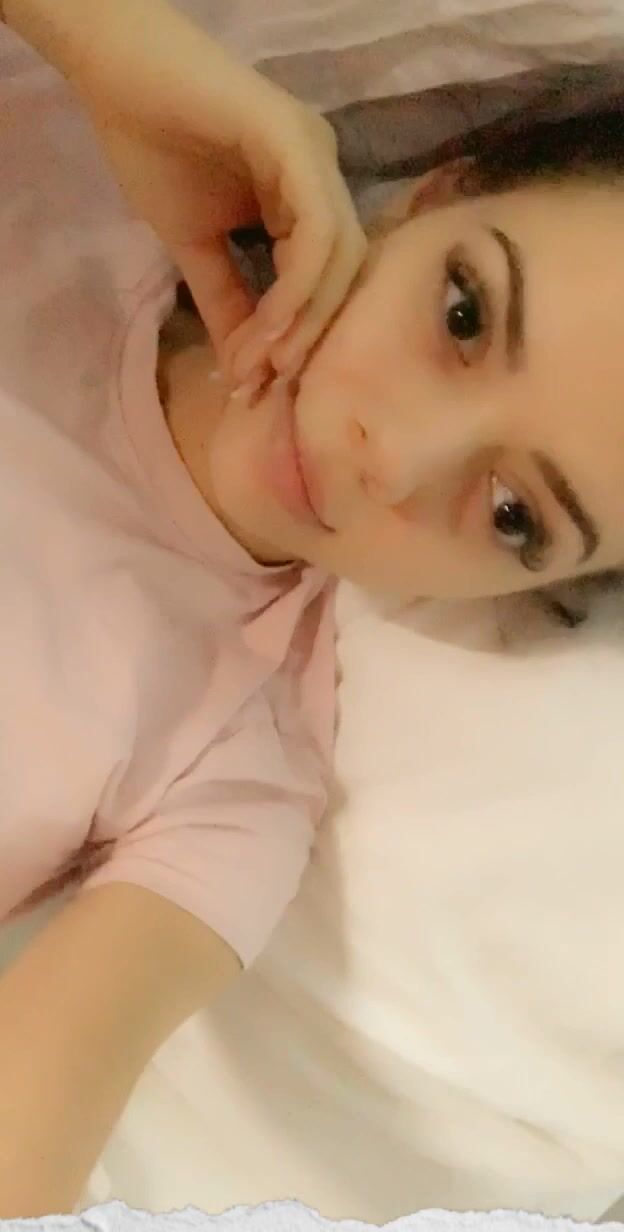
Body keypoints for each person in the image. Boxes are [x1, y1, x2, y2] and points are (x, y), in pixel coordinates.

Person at [0, 0, 622, 1219]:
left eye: (513, 513)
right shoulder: (67, 155)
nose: (396, 458)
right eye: (463, 315)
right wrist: (102, 41)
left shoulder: (234, 774)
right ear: (432, 195)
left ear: (537, 587)